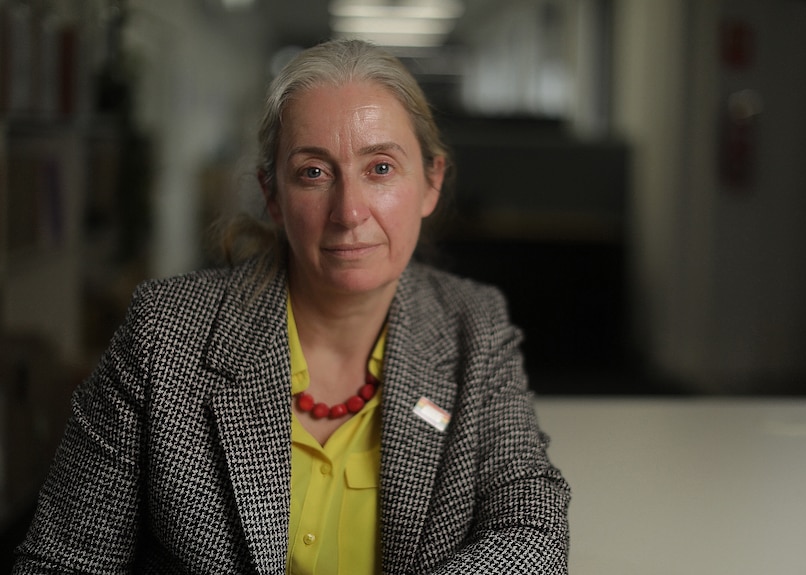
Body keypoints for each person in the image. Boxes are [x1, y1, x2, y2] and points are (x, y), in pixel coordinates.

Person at [13, 38, 570, 574]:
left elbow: (533, 526)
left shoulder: (474, 324)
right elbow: (62, 559)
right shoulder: (164, 334)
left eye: (379, 168)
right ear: (273, 196)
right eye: (314, 173)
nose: (349, 212)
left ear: (430, 181)